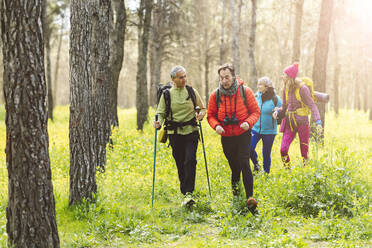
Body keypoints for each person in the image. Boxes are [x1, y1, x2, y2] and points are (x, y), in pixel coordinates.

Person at [207, 63, 260, 213]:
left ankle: (250, 198)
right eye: (222, 78)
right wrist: (216, 126)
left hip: (243, 134)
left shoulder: (245, 91)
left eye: (227, 77)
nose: (225, 80)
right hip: (226, 136)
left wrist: (247, 123)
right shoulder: (215, 95)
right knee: (234, 167)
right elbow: (210, 115)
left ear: (234, 76)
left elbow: (256, 112)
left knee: (244, 162)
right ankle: (236, 198)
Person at [153, 65, 206, 207]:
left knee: (190, 160)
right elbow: (161, 113)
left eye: (185, 76)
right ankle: (185, 193)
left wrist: (201, 114)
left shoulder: (191, 91)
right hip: (174, 134)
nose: (184, 79)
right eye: (180, 77)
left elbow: (202, 107)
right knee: (180, 163)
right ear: (173, 79)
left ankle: (189, 193)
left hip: (191, 131)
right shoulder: (167, 95)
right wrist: (158, 123)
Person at [278, 62, 322, 168]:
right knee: (283, 149)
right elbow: (284, 107)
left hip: (303, 122)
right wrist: (278, 112)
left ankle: (306, 173)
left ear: (290, 77)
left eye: (284, 75)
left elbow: (312, 105)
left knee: (304, 152)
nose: (282, 77)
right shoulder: (286, 89)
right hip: (290, 122)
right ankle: (288, 170)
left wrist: (318, 121)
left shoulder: (303, 89)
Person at [250, 77, 282, 174]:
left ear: (267, 87)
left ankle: (266, 173)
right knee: (249, 148)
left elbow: (281, 109)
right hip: (255, 129)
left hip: (269, 131)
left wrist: (277, 112)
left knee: (266, 153)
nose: (258, 86)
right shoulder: (256, 96)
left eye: (260, 84)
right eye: (258, 84)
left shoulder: (275, 98)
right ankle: (256, 165)